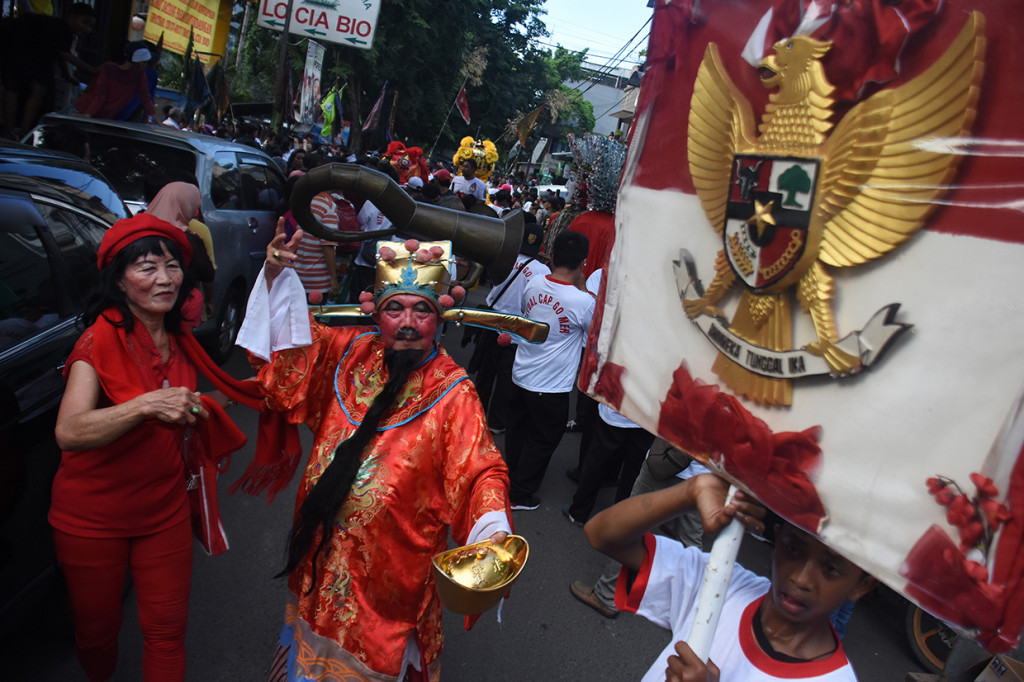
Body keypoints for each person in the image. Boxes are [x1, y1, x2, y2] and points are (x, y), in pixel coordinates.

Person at [235, 229, 513, 682]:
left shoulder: (453, 392)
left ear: (439, 317)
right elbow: (283, 351)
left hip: (386, 589)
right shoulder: (351, 352)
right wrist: (272, 276)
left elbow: (480, 468)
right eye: (394, 308)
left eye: (422, 309)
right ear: (375, 314)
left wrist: (493, 529)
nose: (408, 322)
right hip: (322, 564)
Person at [50, 214, 255, 680]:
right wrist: (143, 406)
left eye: (171, 266)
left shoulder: (181, 340)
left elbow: (183, 405)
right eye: (146, 267)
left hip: (163, 511)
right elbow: (70, 431)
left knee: (167, 634)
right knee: (97, 633)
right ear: (120, 282)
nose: (165, 279)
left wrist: (246, 393)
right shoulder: (94, 344)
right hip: (91, 519)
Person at [585, 474, 877, 681]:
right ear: (776, 540)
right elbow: (602, 535)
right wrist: (691, 491)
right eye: (793, 549)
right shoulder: (723, 585)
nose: (801, 579)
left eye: (831, 569)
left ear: (862, 585)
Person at [504, 231, 594, 510]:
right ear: (583, 263)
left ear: (552, 256)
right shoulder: (583, 302)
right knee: (543, 439)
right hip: (551, 385)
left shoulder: (534, 282)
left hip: (521, 372)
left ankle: (511, 478)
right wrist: (582, 287)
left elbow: (525, 316)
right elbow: (595, 334)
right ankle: (519, 494)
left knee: (518, 429)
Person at [570, 439, 707, 618]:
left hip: (671, 459)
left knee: (627, 529)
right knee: (691, 541)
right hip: (706, 476)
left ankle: (606, 595)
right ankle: (691, 612)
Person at [470, 217, 549, 434]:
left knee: (485, 374)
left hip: (491, 322)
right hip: (517, 329)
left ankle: (473, 414)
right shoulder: (542, 271)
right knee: (506, 379)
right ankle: (496, 421)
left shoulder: (503, 257)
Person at [1, 2, 97, 136]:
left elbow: (61, 55)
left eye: (90, 26)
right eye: (85, 23)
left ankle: (21, 129)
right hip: (16, 49)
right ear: (72, 17)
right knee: (15, 87)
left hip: (29, 56)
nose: (87, 29)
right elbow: (64, 54)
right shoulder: (61, 28)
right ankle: (11, 129)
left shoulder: (64, 31)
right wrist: (93, 70)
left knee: (36, 89)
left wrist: (67, 75)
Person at [145, 181, 216, 325]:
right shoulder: (192, 240)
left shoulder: (135, 229)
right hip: (178, 315)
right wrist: (209, 301)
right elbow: (208, 274)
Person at [74, 41, 158, 122]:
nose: (145, 64)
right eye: (144, 61)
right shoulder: (109, 68)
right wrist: (88, 114)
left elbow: (145, 98)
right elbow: (100, 94)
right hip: (88, 113)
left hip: (103, 118)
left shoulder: (140, 75)